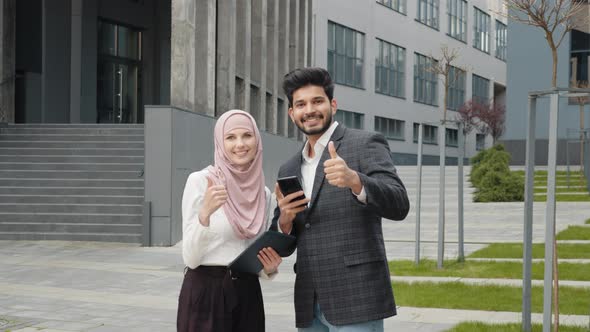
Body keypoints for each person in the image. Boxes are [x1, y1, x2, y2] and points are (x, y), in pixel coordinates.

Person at [273, 67, 410, 331]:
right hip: (308, 301)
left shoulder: (365, 143)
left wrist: (355, 180)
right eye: (300, 104)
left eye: (317, 101)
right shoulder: (288, 168)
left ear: (332, 104)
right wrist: (285, 220)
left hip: (356, 297)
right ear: (292, 113)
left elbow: (399, 203)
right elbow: (286, 244)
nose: (309, 110)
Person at [177, 110, 283, 332]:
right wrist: (204, 214)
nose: (240, 144)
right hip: (206, 292)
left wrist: (268, 269)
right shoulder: (201, 182)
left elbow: (251, 251)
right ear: (219, 142)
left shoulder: (262, 194)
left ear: (257, 140)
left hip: (248, 292)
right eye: (230, 137)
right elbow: (190, 258)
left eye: (247, 135)